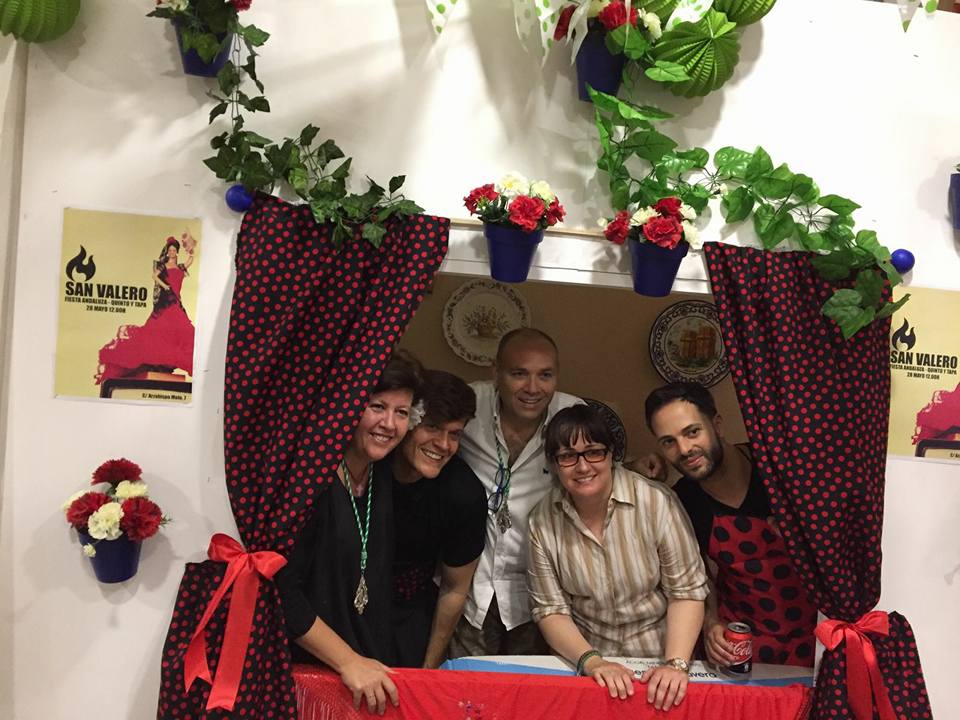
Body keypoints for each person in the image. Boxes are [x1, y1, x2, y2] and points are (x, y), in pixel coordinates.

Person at [528, 404, 708, 710]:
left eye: (594, 452)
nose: (582, 467)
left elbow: (687, 592)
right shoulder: (542, 521)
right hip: (586, 664)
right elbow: (550, 610)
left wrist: (675, 664)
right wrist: (593, 662)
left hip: (660, 661)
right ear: (554, 464)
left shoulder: (657, 502)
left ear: (611, 454)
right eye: (568, 456)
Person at [276, 352, 421, 716]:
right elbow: (281, 590)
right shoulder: (309, 477)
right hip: (306, 678)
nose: (389, 424)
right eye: (377, 407)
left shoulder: (381, 475)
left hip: (363, 676)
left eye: (402, 412)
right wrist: (348, 661)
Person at [644, 381, 818, 668]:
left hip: (817, 633)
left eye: (692, 432)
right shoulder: (684, 500)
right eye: (668, 442)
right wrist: (711, 621)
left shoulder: (779, 469)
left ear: (717, 425)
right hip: (744, 643)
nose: (684, 449)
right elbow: (698, 576)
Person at [450, 328, 581, 657]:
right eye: (519, 374)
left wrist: (637, 466)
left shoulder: (571, 415)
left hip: (538, 594)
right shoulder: (468, 405)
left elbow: (597, 473)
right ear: (495, 371)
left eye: (545, 375)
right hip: (470, 588)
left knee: (527, 686)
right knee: (467, 685)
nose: (533, 388)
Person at [390, 370, 487, 668]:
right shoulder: (368, 469)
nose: (443, 444)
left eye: (454, 434)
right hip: (341, 603)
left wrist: (429, 669)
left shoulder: (463, 494)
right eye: (432, 427)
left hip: (409, 610)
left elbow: (454, 589)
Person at [95, 233, 197, 384]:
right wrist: (165, 286)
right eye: (170, 250)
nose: (172, 252)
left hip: (176, 302)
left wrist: (191, 250)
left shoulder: (180, 267)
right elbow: (154, 276)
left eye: (174, 250)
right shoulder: (163, 266)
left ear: (177, 252)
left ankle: (164, 364)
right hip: (166, 302)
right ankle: (157, 362)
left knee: (183, 331)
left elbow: (190, 261)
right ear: (167, 252)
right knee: (158, 332)